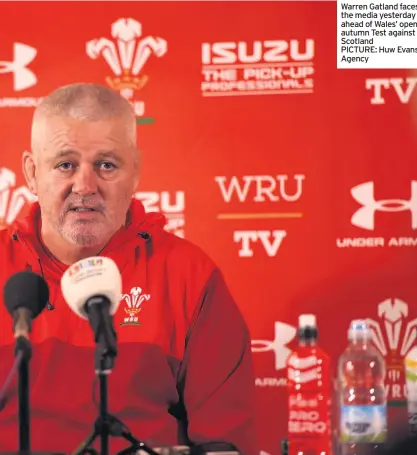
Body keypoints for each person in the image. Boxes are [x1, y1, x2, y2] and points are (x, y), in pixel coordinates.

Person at [0, 83, 257, 454]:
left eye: (106, 165)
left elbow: (226, 444)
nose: (85, 186)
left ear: (134, 171)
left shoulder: (189, 275)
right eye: (65, 164)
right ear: (31, 171)